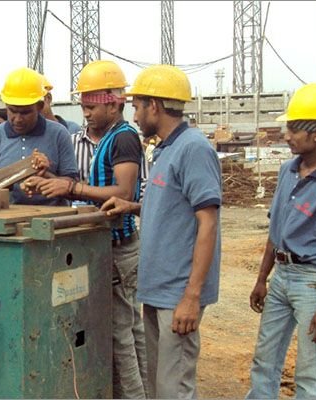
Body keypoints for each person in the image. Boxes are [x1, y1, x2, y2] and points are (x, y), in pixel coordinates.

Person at [101, 65, 221, 399]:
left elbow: (208, 222)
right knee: (158, 387)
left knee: (174, 388)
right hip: (158, 289)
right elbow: (173, 208)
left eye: (137, 107)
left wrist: (192, 297)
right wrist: (131, 207)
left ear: (154, 106)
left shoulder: (193, 149)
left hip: (178, 293)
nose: (135, 116)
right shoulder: (166, 149)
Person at [30, 60, 147, 398]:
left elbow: (124, 193)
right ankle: (146, 390)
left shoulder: (124, 139)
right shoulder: (100, 138)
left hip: (118, 246)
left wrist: (70, 188)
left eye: (91, 107)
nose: (86, 113)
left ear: (113, 103)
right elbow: (88, 186)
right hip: (106, 245)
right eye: (83, 106)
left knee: (119, 332)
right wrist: (53, 181)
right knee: (131, 327)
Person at [246, 84, 316, 399]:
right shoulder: (288, 171)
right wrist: (262, 279)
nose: (287, 136)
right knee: (265, 360)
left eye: (294, 129)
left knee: (310, 372)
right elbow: (276, 231)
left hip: (312, 282)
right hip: (281, 276)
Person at [0, 67, 79, 206]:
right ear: (6, 105)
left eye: (25, 112)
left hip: (55, 215)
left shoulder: (59, 134)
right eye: (12, 111)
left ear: (39, 106)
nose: (18, 119)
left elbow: (73, 186)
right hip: (9, 217)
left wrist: (46, 174)